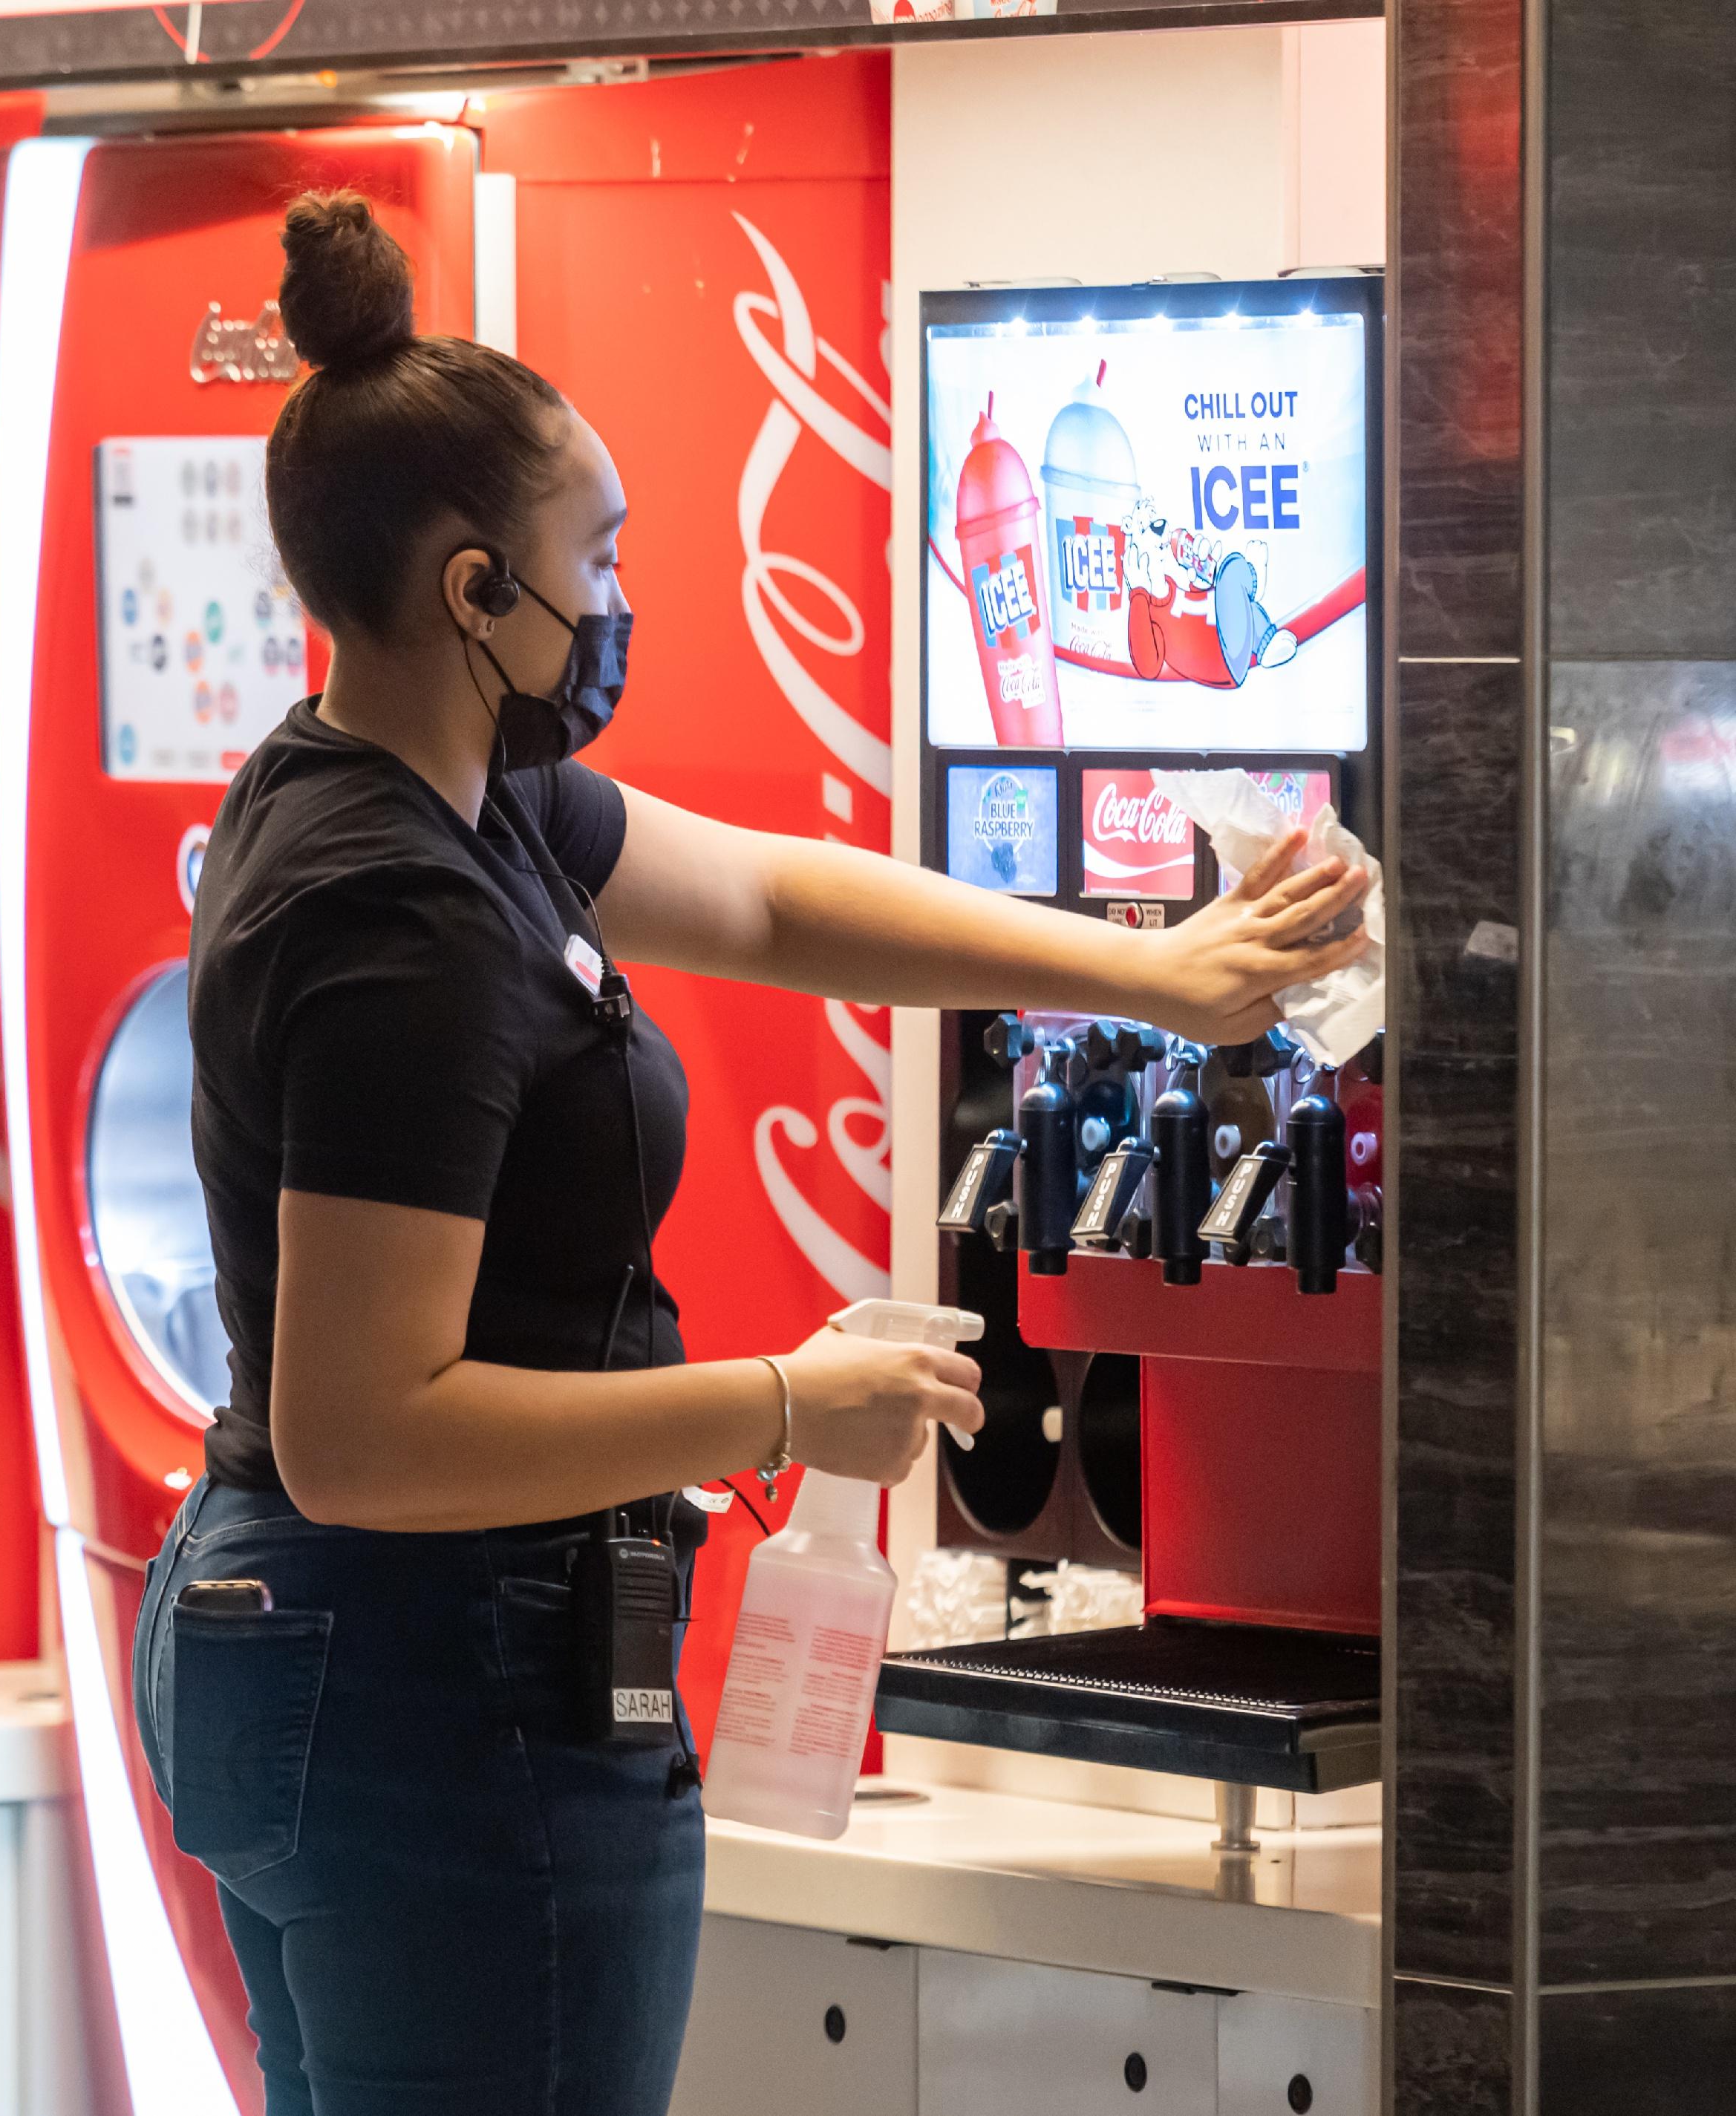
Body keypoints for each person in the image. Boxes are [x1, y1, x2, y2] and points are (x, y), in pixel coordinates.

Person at [130, 191, 1374, 2116]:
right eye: (596, 559)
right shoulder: (401, 916)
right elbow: (365, 1429)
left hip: (335, 1668)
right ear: (475, 591)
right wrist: (785, 1405)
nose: (619, 599)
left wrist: (1159, 977)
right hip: (433, 1693)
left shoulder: (453, 797)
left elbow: (784, 905)